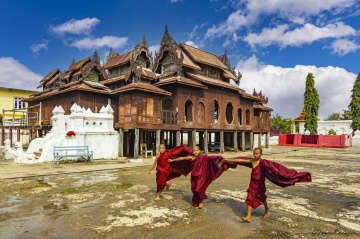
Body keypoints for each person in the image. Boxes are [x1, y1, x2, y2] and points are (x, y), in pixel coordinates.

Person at [224, 148, 311, 222]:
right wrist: (228, 160)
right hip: (252, 183)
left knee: (262, 198)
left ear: (261, 154)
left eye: (257, 154)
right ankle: (248, 216)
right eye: (254, 154)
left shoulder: (263, 163)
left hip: (260, 184)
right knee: (250, 197)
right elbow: (240, 160)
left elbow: (275, 167)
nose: (255, 155)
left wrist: (280, 173)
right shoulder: (252, 161)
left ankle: (266, 208)